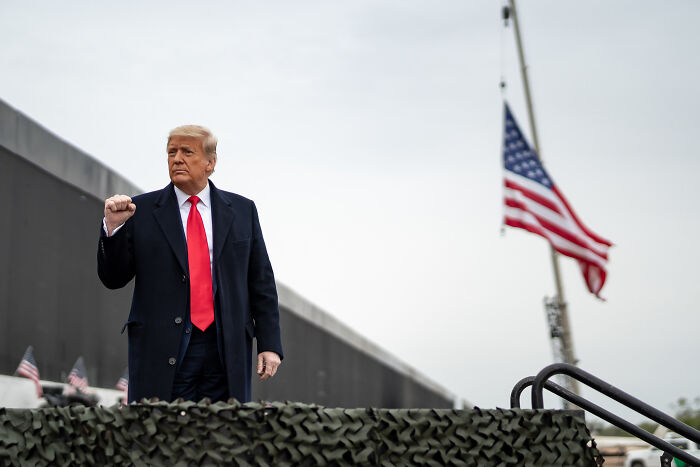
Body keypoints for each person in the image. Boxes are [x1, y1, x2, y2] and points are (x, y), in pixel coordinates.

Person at [97, 125, 283, 403]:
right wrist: (112, 229)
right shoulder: (140, 210)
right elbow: (113, 278)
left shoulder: (243, 211)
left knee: (224, 438)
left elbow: (261, 280)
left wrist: (269, 344)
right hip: (162, 347)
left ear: (210, 162)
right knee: (162, 437)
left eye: (187, 152)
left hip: (226, 347)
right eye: (172, 152)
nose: (177, 159)